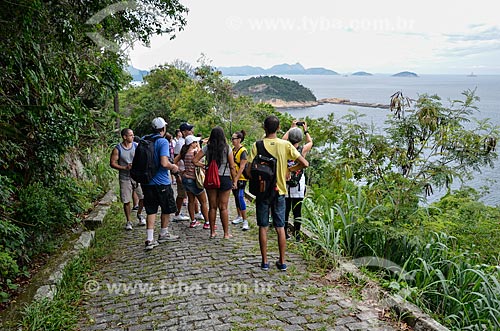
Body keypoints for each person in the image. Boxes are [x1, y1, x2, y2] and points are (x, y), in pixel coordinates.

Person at [247, 115, 309, 271]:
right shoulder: (285, 145)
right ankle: (282, 262)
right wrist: (289, 169)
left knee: (263, 226)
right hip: (279, 191)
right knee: (280, 227)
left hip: (262, 191)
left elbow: (249, 169)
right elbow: (304, 163)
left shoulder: (257, 145)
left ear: (264, 128)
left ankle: (265, 262)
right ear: (279, 127)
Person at [142, 117, 180, 250]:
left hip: (147, 182)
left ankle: (149, 238)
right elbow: (164, 163)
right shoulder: (162, 142)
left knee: (151, 210)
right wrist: (173, 167)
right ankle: (163, 233)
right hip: (162, 182)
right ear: (163, 129)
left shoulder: (144, 140)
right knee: (166, 208)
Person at [193, 126, 237, 239]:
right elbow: (232, 166)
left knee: (212, 207)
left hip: (211, 178)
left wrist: (205, 166)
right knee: (224, 207)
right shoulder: (227, 148)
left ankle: (212, 232)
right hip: (224, 178)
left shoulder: (208, 148)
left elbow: (194, 160)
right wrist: (235, 180)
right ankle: (226, 233)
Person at [283, 120, 313, 241]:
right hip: (298, 186)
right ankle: (297, 234)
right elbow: (310, 142)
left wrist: (291, 128)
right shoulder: (302, 150)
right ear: (300, 140)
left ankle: (284, 233)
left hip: (285, 183)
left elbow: (282, 139)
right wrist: (305, 130)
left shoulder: (284, 148)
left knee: (285, 210)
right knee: (297, 211)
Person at [109, 128, 146, 230]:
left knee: (143, 197)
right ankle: (129, 221)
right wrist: (124, 168)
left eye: (133, 135)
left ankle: (139, 214)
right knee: (126, 200)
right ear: (125, 137)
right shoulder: (117, 149)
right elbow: (112, 163)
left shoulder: (136, 146)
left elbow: (143, 158)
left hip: (137, 176)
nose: (133, 137)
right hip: (125, 177)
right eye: (130, 135)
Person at [174, 135, 210, 229]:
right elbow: (201, 160)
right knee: (203, 202)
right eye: (195, 142)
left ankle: (193, 221)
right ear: (192, 143)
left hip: (186, 178)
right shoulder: (195, 152)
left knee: (191, 201)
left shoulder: (184, 153)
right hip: (195, 180)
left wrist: (180, 171)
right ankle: (207, 222)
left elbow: (174, 161)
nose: (196, 143)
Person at [230, 130, 249, 231]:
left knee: (240, 196)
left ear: (239, 140)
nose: (232, 140)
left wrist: (236, 180)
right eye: (232, 139)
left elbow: (242, 167)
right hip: (233, 177)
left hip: (241, 178)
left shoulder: (243, 151)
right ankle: (239, 216)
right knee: (236, 197)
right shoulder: (232, 150)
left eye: (234, 139)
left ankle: (245, 220)